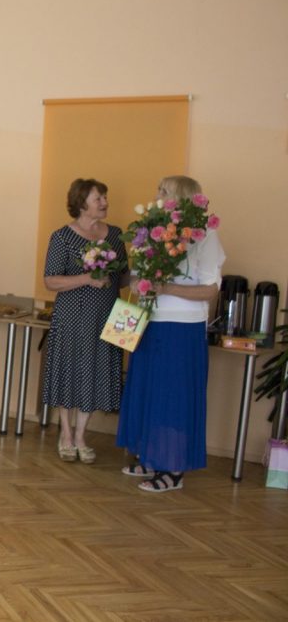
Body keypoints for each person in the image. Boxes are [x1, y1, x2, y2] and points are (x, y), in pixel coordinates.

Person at [116, 175, 225, 493]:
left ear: (181, 197)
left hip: (182, 327)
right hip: (149, 320)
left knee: (174, 396)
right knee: (148, 391)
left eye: (163, 191)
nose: (156, 195)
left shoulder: (205, 235)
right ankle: (151, 456)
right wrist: (138, 282)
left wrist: (166, 288)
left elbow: (210, 290)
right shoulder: (153, 231)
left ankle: (174, 469)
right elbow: (139, 274)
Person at [41, 178, 128, 464]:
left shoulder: (115, 235)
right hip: (72, 317)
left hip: (107, 315)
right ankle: (66, 435)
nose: (104, 202)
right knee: (69, 373)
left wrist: (147, 270)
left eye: (104, 197)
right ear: (81, 203)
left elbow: (122, 278)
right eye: (98, 198)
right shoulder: (62, 237)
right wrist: (87, 279)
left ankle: (81, 437)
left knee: (96, 373)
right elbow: (50, 281)